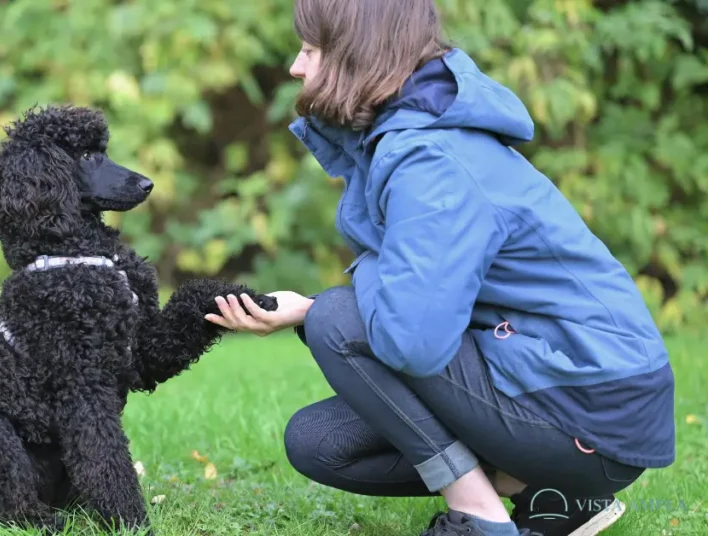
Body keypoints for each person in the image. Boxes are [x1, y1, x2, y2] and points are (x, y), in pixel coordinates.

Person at [204, 1, 676, 535]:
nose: (295, 65)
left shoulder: (433, 161)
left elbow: (412, 344)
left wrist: (322, 311)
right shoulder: (409, 138)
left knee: (337, 319)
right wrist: (306, 310)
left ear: (358, 55)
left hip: (594, 407)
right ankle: (555, 496)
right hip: (554, 380)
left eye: (311, 50)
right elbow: (422, 304)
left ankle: (480, 516)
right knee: (320, 442)